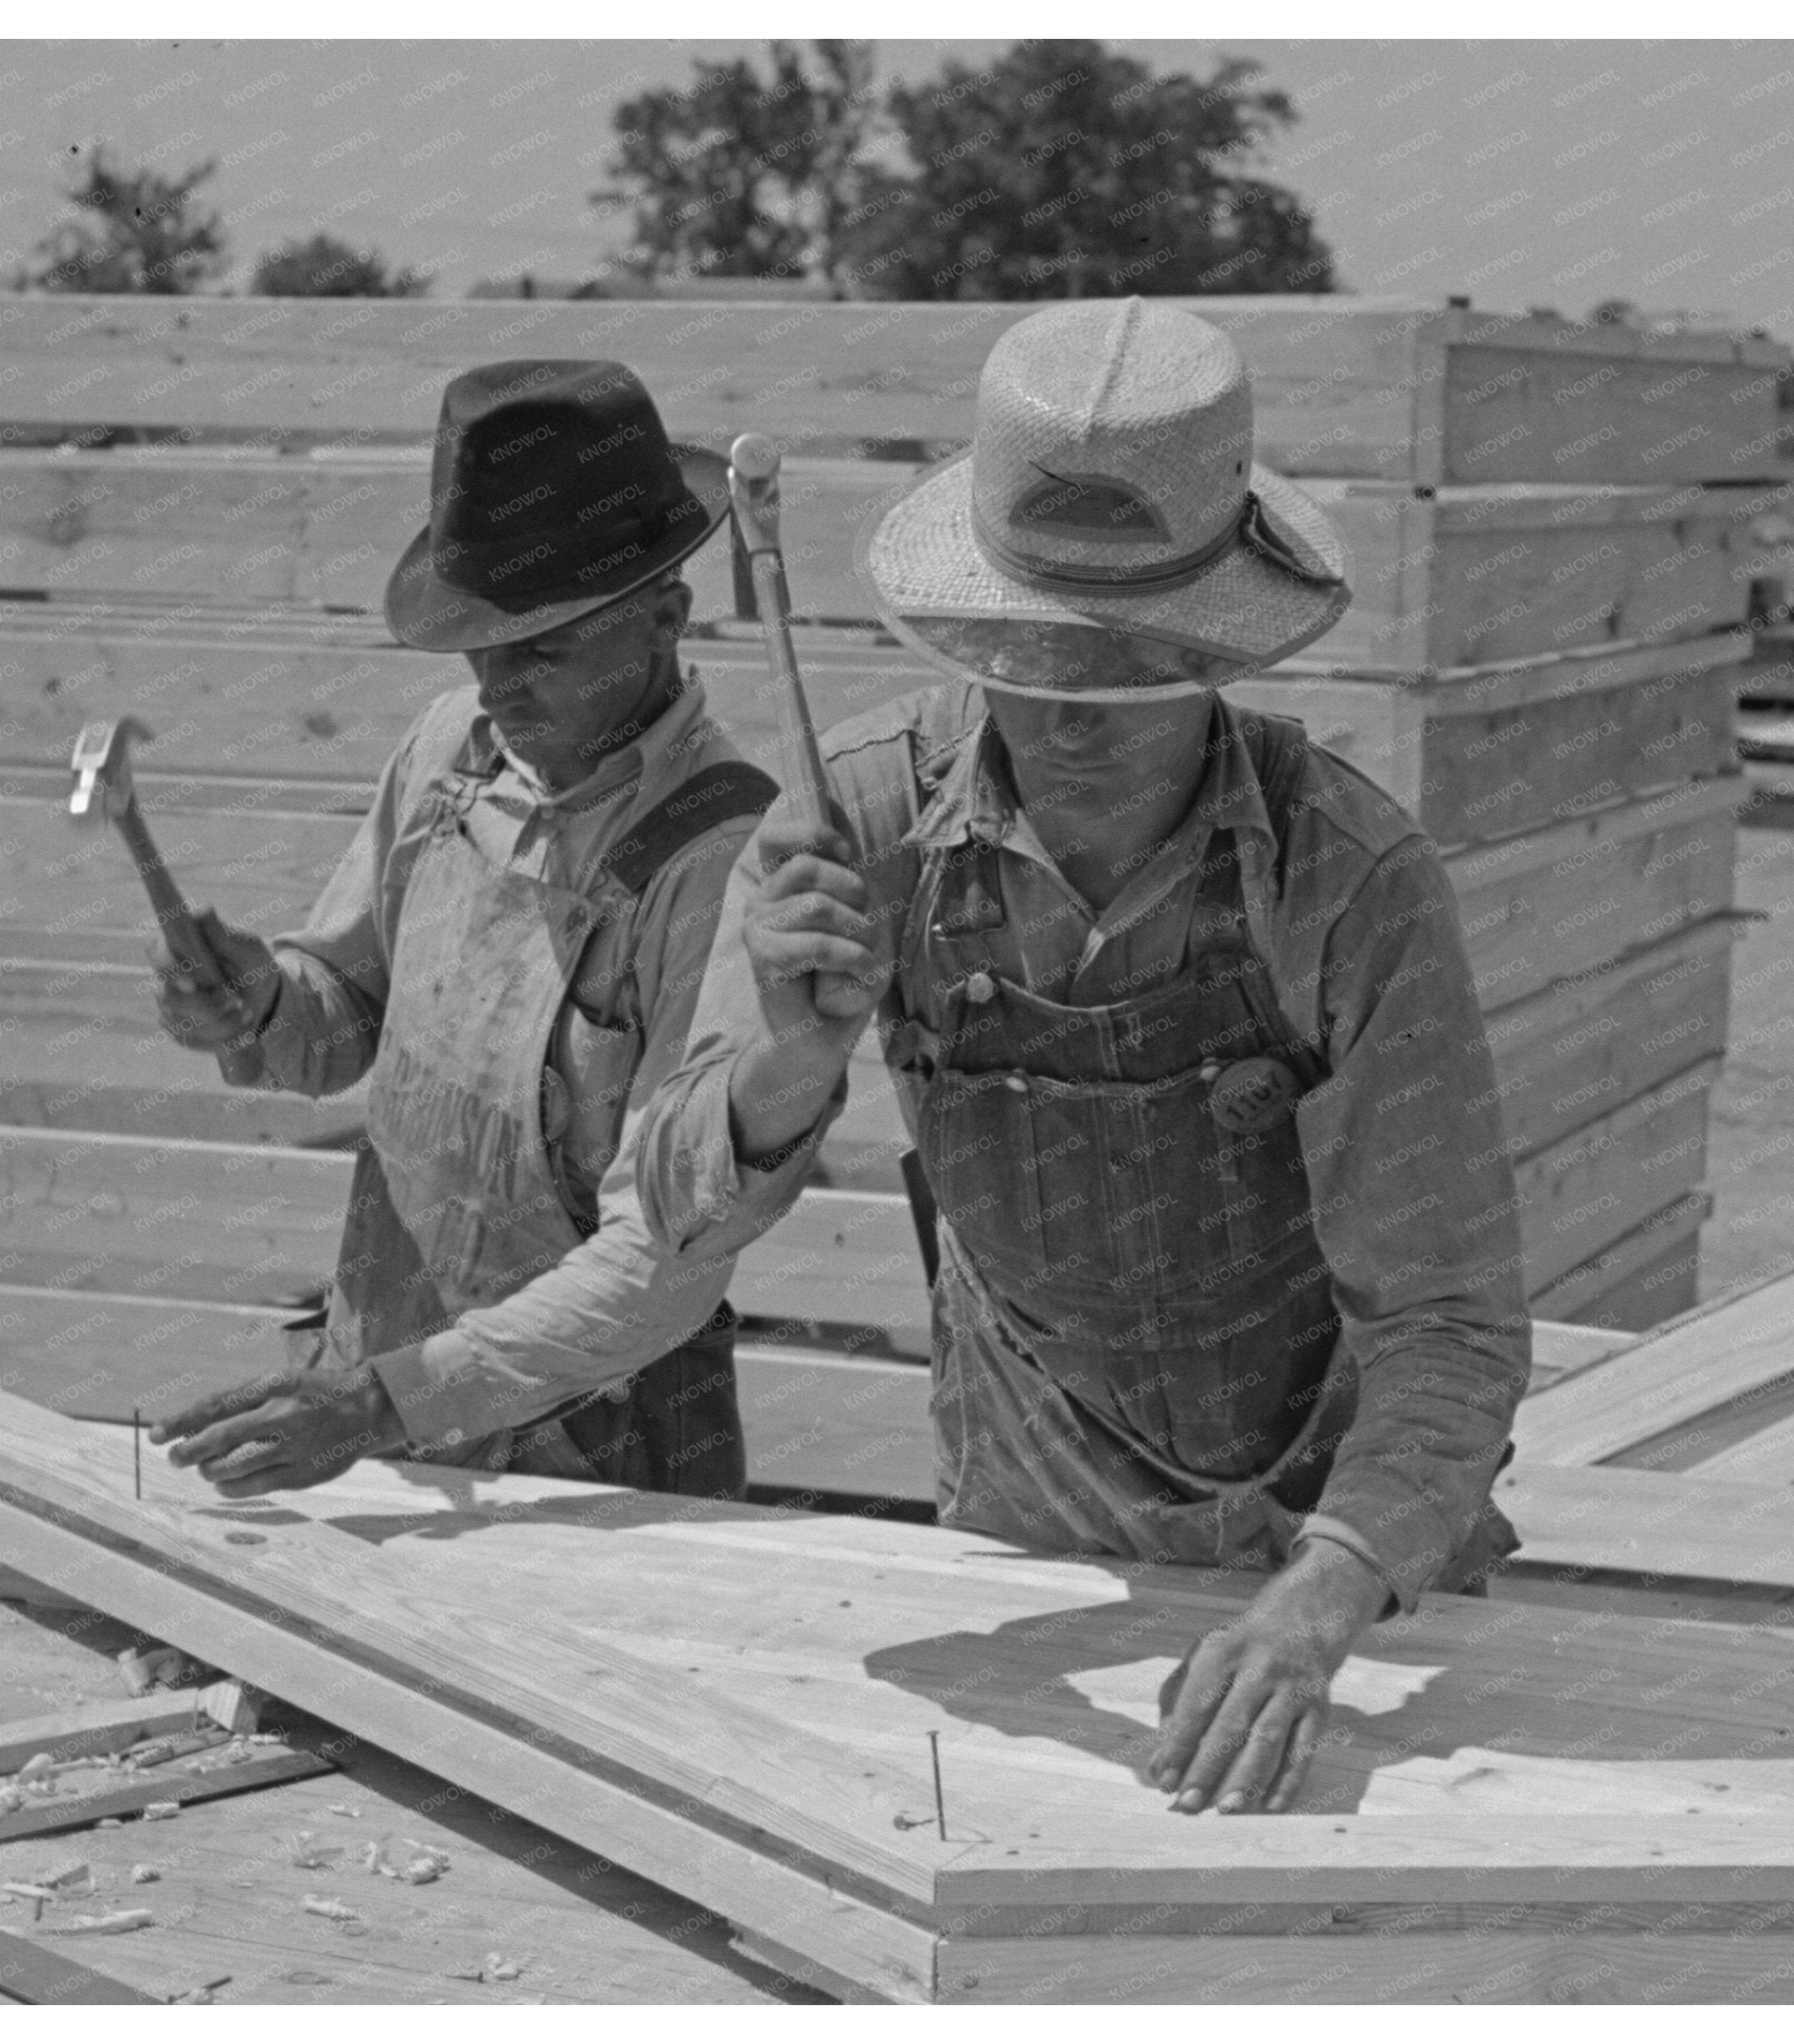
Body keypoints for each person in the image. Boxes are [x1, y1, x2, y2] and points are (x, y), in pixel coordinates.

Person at [628, 299, 1533, 1817]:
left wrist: (1325, 1603)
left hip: (1336, 1539)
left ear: (1224, 636)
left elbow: (1451, 1324)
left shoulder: (1348, 879)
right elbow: (663, 1211)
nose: (1069, 712)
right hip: (1027, 1523)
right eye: (1027, 652)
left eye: (1132, 665)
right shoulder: (854, 832)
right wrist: (791, 1067)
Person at [144, 359, 776, 1503]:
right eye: (480, 644)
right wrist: (262, 1003)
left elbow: (664, 1260)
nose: (499, 688)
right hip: (377, 1393)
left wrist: (389, 1400)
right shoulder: (450, 754)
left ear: (667, 614)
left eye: (544, 649)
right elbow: (343, 1025)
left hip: (606, 1454)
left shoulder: (725, 859)